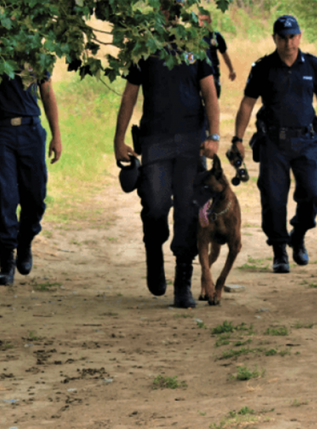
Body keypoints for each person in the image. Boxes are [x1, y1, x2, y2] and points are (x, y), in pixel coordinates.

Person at [113, 0, 220, 308]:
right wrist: (119, 139)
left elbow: (210, 94)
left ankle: (183, 281)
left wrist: (213, 136)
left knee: (188, 210)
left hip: (191, 141)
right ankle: (153, 246)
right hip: (156, 140)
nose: (171, 12)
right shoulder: (144, 44)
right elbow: (130, 94)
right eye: (166, 7)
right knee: (156, 204)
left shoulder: (196, 44)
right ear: (158, 9)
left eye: (177, 7)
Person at [233, 15, 317, 274]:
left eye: (292, 37)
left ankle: (298, 234)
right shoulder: (263, 67)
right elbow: (247, 103)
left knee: (312, 192)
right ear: (274, 39)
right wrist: (238, 139)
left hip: (306, 141)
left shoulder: (312, 65)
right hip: (273, 142)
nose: (288, 42)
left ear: (299, 36)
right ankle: (279, 249)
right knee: (273, 197)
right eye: (283, 37)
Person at [0, 67, 62, 285]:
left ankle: (25, 240)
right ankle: (6, 262)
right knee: (5, 195)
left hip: (31, 130)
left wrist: (56, 135)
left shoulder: (33, 50)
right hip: (0, 131)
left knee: (36, 197)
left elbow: (47, 93)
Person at [199, 11, 237, 99]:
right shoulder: (193, 37)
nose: (203, 23)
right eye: (201, 20)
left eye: (205, 20)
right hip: (198, 75)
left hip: (213, 74)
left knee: (214, 100)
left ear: (210, 21)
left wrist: (231, 70)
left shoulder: (216, 36)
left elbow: (224, 54)